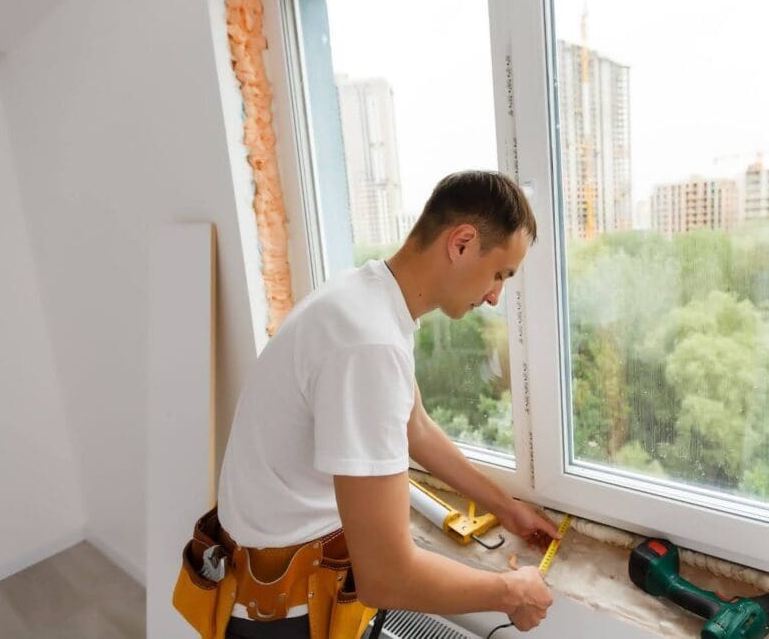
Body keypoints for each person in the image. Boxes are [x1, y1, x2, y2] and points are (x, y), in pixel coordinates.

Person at [214, 170, 558, 638]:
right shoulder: (368, 343)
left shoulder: (369, 297)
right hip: (285, 618)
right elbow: (387, 576)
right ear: (460, 243)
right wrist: (511, 592)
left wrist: (506, 507)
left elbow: (414, 426)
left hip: (286, 577)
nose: (496, 295)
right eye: (500, 273)